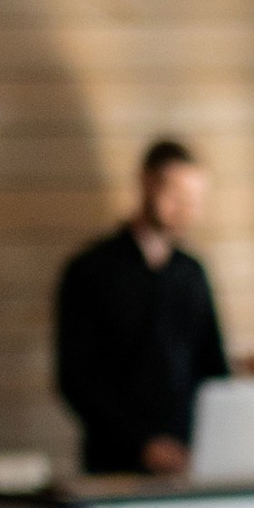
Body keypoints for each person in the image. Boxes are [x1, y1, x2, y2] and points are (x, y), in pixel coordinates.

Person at [53, 137, 230, 476]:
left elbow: (212, 367)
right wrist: (142, 443)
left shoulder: (192, 272)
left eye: (194, 200)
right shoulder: (89, 269)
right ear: (147, 183)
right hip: (114, 461)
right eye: (176, 196)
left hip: (189, 460)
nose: (186, 209)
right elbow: (74, 377)